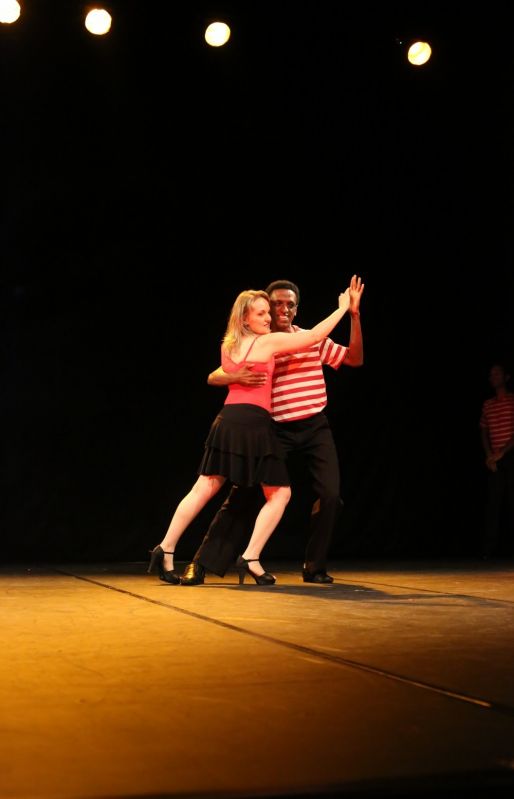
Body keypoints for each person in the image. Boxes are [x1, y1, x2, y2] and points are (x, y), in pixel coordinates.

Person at [148, 285, 352, 585]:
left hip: (227, 421)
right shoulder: (266, 343)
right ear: (245, 319)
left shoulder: (229, 344)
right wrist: (343, 308)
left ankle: (165, 549)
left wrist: (231, 375)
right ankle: (249, 556)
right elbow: (311, 337)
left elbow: (213, 375)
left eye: (267, 312)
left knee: (204, 489)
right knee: (277, 494)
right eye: (261, 313)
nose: (269, 317)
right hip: (253, 425)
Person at [479, 362, 514, 557]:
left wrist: (503, 452)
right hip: (495, 458)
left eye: (497, 373)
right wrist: (489, 455)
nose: (493, 377)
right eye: (491, 374)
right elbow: (483, 430)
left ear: (506, 377)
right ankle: (488, 551)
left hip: (510, 455)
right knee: (494, 503)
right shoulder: (488, 404)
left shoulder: (512, 401)